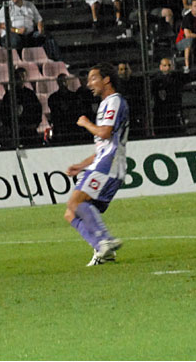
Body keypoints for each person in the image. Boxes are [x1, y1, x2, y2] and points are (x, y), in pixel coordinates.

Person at [63, 63, 128, 266]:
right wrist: (81, 166)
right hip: (104, 163)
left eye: (93, 78)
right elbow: (103, 146)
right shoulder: (105, 104)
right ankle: (103, 251)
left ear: (106, 79)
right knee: (71, 213)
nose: (89, 83)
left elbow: (104, 133)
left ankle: (104, 240)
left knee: (75, 202)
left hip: (109, 165)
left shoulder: (114, 101)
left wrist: (85, 123)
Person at [1, 67, 42, 146]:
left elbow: (38, 110)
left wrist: (35, 124)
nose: (21, 79)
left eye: (23, 76)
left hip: (29, 130)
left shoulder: (30, 94)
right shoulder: (9, 95)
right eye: (18, 77)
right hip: (15, 130)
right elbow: (4, 112)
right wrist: (9, 126)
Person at [47, 73, 82, 144]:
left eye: (65, 81)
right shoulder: (53, 98)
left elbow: (77, 112)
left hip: (73, 127)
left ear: (68, 82)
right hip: (59, 127)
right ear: (57, 82)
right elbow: (54, 113)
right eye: (61, 81)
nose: (63, 83)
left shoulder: (74, 96)